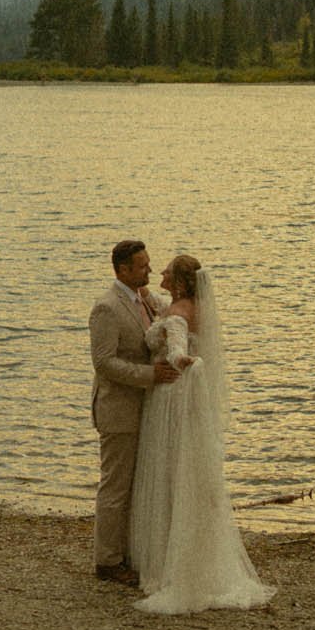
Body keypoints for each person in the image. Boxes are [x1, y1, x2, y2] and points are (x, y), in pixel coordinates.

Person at [128, 252, 272, 614]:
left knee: (168, 474)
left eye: (166, 270)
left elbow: (176, 349)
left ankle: (168, 566)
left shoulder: (177, 316)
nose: (157, 271)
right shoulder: (189, 307)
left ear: (177, 281)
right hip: (189, 402)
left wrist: (181, 361)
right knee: (189, 474)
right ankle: (197, 558)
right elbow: (163, 307)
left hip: (170, 397)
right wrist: (145, 296)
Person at [88, 239, 183, 585]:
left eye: (148, 263)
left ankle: (128, 552)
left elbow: (170, 321)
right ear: (123, 269)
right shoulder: (106, 308)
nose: (149, 269)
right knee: (116, 487)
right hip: (119, 409)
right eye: (142, 266)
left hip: (145, 408)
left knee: (137, 484)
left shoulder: (146, 299)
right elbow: (104, 362)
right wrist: (150, 376)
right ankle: (107, 561)